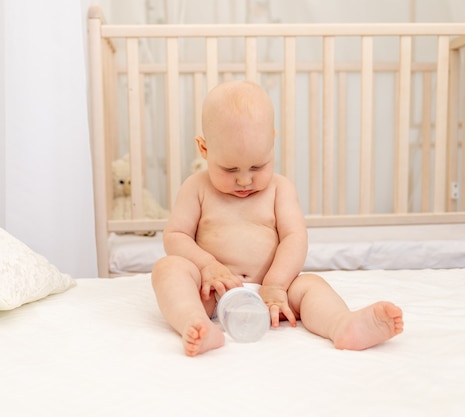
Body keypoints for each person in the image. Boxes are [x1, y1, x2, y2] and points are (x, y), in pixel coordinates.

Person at [151, 80, 403, 357]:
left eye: (258, 166)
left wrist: (276, 284)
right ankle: (195, 322)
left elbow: (295, 238)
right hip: (212, 292)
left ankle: (342, 325)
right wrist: (207, 266)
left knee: (311, 286)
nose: (245, 179)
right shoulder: (196, 187)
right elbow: (176, 236)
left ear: (272, 141)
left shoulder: (280, 189)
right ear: (204, 149)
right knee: (168, 269)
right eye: (230, 168)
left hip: (273, 294)